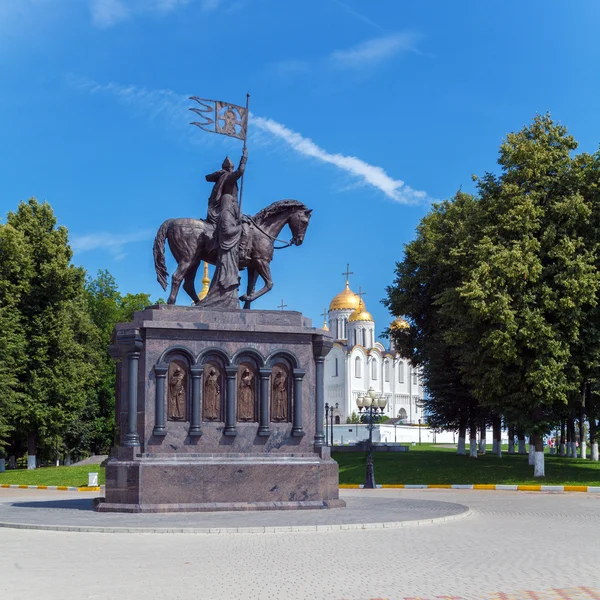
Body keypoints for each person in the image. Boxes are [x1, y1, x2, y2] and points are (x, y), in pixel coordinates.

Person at [205, 149, 247, 226]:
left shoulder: (221, 177)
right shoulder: (228, 177)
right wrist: (244, 157)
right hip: (228, 204)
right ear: (231, 168)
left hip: (223, 204)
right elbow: (240, 171)